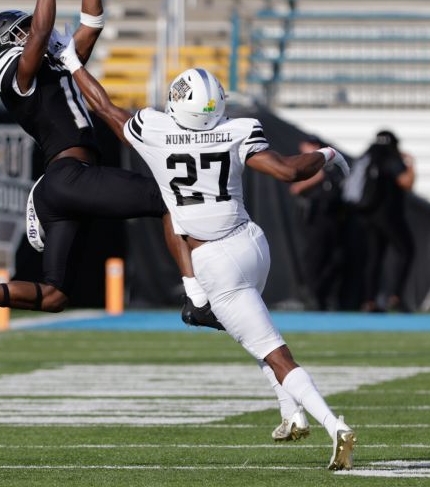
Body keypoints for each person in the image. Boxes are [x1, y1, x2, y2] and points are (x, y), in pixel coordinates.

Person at [63, 60, 357, 470]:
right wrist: (326, 154)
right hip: (252, 243)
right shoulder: (237, 130)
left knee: (273, 351)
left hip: (214, 260)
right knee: (256, 334)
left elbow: (104, 107)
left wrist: (74, 64)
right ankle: (291, 415)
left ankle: (334, 425)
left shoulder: (155, 130)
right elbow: (289, 171)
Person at [0, 0, 220, 336]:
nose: (30, 31)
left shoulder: (51, 64)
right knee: (170, 198)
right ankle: (196, 298)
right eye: (21, 32)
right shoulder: (14, 74)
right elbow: (42, 32)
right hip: (71, 176)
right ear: (3, 46)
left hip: (63, 185)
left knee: (55, 296)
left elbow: (92, 24)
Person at [352, 130, 416, 312]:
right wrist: (411, 164)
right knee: (406, 250)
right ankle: (395, 296)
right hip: (389, 216)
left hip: (367, 215)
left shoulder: (368, 157)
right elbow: (407, 183)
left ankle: (369, 300)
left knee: (374, 258)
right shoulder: (391, 159)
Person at [290, 135, 345, 310]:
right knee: (315, 258)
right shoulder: (310, 167)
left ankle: (324, 296)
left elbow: (322, 175)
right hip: (315, 220)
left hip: (330, 219)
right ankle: (314, 297)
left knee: (331, 259)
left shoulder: (325, 164)